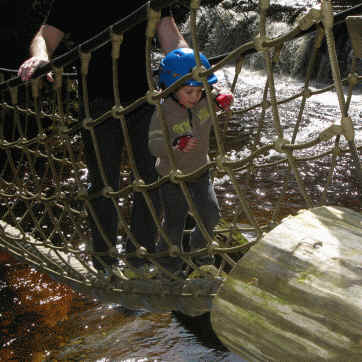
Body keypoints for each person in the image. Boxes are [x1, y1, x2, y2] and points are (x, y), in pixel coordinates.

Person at [18, 2, 188, 279]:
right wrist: (39, 56)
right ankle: (105, 262)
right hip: (96, 103)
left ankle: (138, 260)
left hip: (144, 99)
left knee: (152, 176)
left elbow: (171, 37)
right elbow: (44, 37)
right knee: (103, 182)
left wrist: (193, 66)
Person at [148, 48, 233, 274]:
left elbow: (218, 95)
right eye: (188, 92)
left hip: (200, 170)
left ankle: (200, 252)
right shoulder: (163, 111)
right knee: (174, 221)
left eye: (198, 92)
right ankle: (168, 264)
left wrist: (225, 98)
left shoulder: (204, 101)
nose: (194, 98)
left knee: (211, 212)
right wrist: (174, 145)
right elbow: (153, 145)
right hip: (171, 176)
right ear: (172, 88)